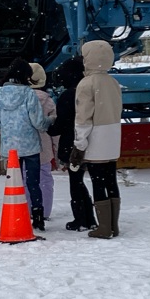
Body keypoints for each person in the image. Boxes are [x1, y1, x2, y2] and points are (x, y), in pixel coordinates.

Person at [72, 39, 123, 239]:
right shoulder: (113, 82)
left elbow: (83, 117)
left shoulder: (86, 84)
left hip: (96, 138)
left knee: (97, 181)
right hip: (112, 137)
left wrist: (79, 145)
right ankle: (113, 225)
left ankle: (103, 227)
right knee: (111, 179)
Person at [0, 59, 50, 230]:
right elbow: (38, 122)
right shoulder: (29, 94)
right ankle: (38, 216)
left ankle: (17, 214)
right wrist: (49, 122)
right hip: (30, 145)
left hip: (10, 148)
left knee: (15, 183)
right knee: (33, 183)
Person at [51, 57, 95, 231]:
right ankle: (91, 217)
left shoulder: (68, 95)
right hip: (92, 141)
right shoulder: (90, 91)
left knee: (75, 182)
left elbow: (60, 124)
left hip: (73, 144)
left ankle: (80, 218)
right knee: (92, 181)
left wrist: (50, 127)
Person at [30, 62, 58, 223]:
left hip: (24, 147)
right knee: (45, 179)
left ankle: (28, 209)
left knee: (27, 178)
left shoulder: (20, 99)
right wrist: (57, 148)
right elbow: (54, 127)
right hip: (44, 146)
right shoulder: (48, 101)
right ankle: (45, 210)